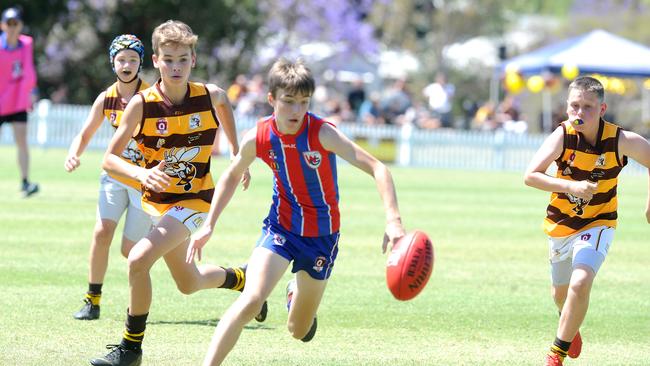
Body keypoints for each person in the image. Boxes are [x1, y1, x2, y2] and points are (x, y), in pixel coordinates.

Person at [187, 58, 406, 366]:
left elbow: (377, 168)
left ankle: (294, 295)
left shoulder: (322, 133)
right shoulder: (259, 137)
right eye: (288, 102)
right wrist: (209, 225)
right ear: (272, 99)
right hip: (281, 229)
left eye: (303, 102)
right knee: (251, 300)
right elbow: (232, 174)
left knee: (298, 330)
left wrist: (393, 220)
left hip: (321, 237)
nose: (296, 111)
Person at [89, 20, 263, 366]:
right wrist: (141, 174)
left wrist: (235, 152)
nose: (176, 67)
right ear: (156, 60)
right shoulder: (141, 104)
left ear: (193, 59)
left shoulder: (210, 96)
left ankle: (130, 349)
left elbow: (225, 108)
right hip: (159, 205)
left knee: (138, 260)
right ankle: (243, 278)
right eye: (168, 59)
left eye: (183, 59)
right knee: (189, 282)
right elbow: (109, 160)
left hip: (196, 198)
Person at [524, 76, 650, 366]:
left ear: (602, 108)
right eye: (574, 106)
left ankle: (556, 354)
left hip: (599, 222)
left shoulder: (620, 140)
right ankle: (569, 323)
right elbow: (530, 176)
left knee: (580, 283)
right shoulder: (562, 136)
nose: (579, 113)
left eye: (588, 107)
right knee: (560, 295)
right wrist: (571, 187)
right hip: (560, 224)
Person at [65, 34, 152, 321]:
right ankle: (93, 300)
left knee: (131, 251)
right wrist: (74, 153)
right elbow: (85, 133)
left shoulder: (152, 96)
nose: (127, 64)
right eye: (121, 59)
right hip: (114, 175)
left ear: (141, 63)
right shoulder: (106, 98)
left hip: (143, 180)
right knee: (102, 232)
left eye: (133, 59)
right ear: (112, 63)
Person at [0, 6, 38, 197]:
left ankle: (25, 182)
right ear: (2, 25)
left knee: (22, 141)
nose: (13, 27)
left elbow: (29, 70)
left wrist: (32, 91)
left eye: (16, 23)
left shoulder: (26, 44)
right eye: (9, 23)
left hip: (17, 101)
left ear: (21, 25)